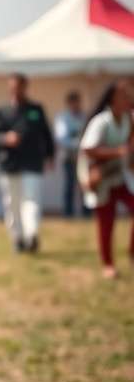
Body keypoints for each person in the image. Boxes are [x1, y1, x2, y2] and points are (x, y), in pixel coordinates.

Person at [0, 73, 55, 253]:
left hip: (32, 162)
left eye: (19, 87)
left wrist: (50, 155)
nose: (16, 90)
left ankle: (31, 234)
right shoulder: (1, 112)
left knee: (31, 199)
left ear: (25, 87)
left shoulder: (35, 109)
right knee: (12, 202)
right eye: (13, 87)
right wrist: (5, 138)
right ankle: (17, 238)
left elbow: (46, 135)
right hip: (9, 164)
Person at [78, 81, 134, 279]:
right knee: (106, 222)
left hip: (119, 176)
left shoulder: (129, 119)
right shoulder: (101, 122)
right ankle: (108, 264)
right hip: (100, 177)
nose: (128, 97)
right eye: (123, 95)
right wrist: (116, 152)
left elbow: (129, 146)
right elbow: (88, 149)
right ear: (112, 99)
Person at [54, 90, 87, 217]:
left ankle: (86, 213)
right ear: (69, 104)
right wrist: (79, 143)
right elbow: (61, 138)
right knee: (69, 185)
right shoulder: (63, 118)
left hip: (83, 158)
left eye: (77, 102)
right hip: (69, 157)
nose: (75, 105)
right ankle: (68, 213)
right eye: (73, 103)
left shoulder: (84, 116)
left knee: (84, 184)